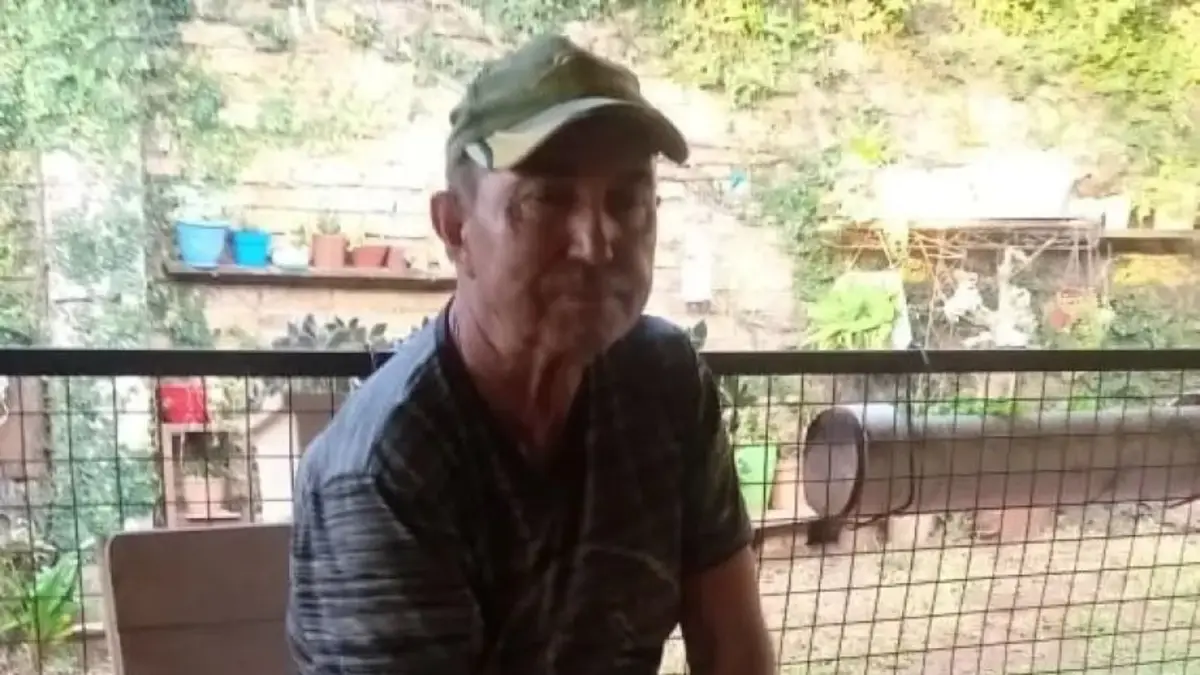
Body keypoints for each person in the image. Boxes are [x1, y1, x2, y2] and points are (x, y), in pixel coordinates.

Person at [286, 34, 774, 675]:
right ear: (456, 229)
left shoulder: (664, 383)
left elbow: (736, 652)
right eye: (547, 199)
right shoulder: (386, 469)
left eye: (627, 201)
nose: (597, 244)